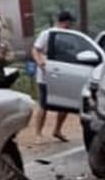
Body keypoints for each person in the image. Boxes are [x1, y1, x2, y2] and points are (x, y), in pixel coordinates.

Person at [31, 9, 74, 141]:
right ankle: (38, 133)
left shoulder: (68, 36)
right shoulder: (47, 34)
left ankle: (57, 130)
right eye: (67, 23)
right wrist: (40, 63)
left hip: (63, 74)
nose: (69, 26)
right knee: (44, 104)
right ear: (62, 22)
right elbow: (35, 49)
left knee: (65, 104)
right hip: (46, 75)